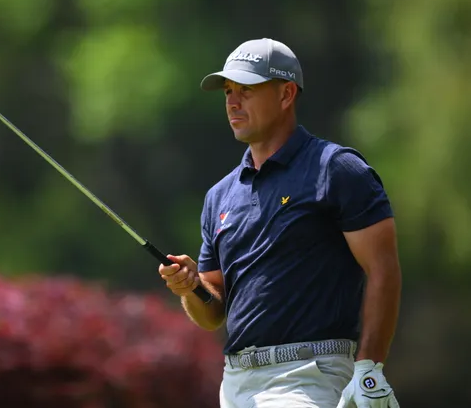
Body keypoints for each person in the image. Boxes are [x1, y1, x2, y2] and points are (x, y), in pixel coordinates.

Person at [159, 38, 402, 408]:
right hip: (235, 385)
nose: (232, 102)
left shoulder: (336, 169)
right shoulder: (219, 196)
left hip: (310, 375)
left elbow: (383, 269)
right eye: (228, 91)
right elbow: (213, 313)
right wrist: (190, 287)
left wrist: (369, 367)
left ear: (286, 94)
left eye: (246, 90)